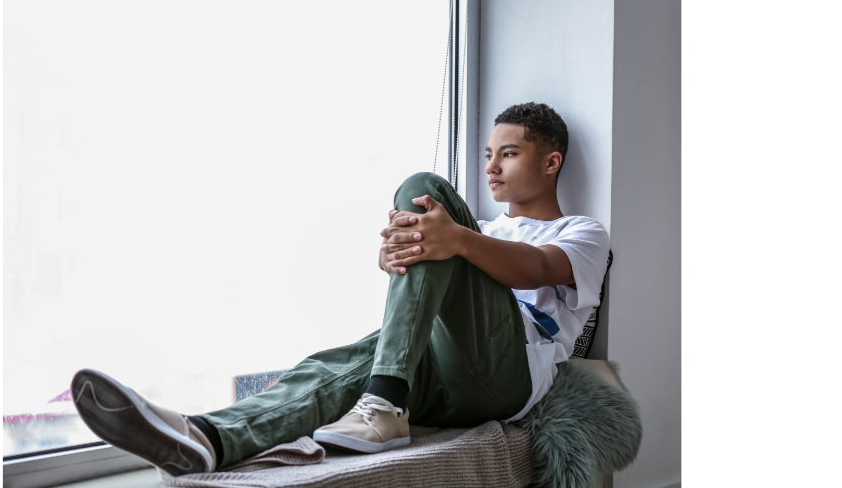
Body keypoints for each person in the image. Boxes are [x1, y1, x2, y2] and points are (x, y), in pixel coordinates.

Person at [70, 102, 611, 477]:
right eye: (488, 153)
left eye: (508, 154)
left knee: (424, 194)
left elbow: (537, 269)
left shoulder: (581, 231)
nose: (490, 165)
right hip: (439, 369)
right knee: (336, 367)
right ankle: (207, 437)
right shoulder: (476, 230)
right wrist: (404, 254)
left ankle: (383, 400)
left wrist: (453, 240)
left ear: (550, 162)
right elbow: (449, 257)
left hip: (507, 371)